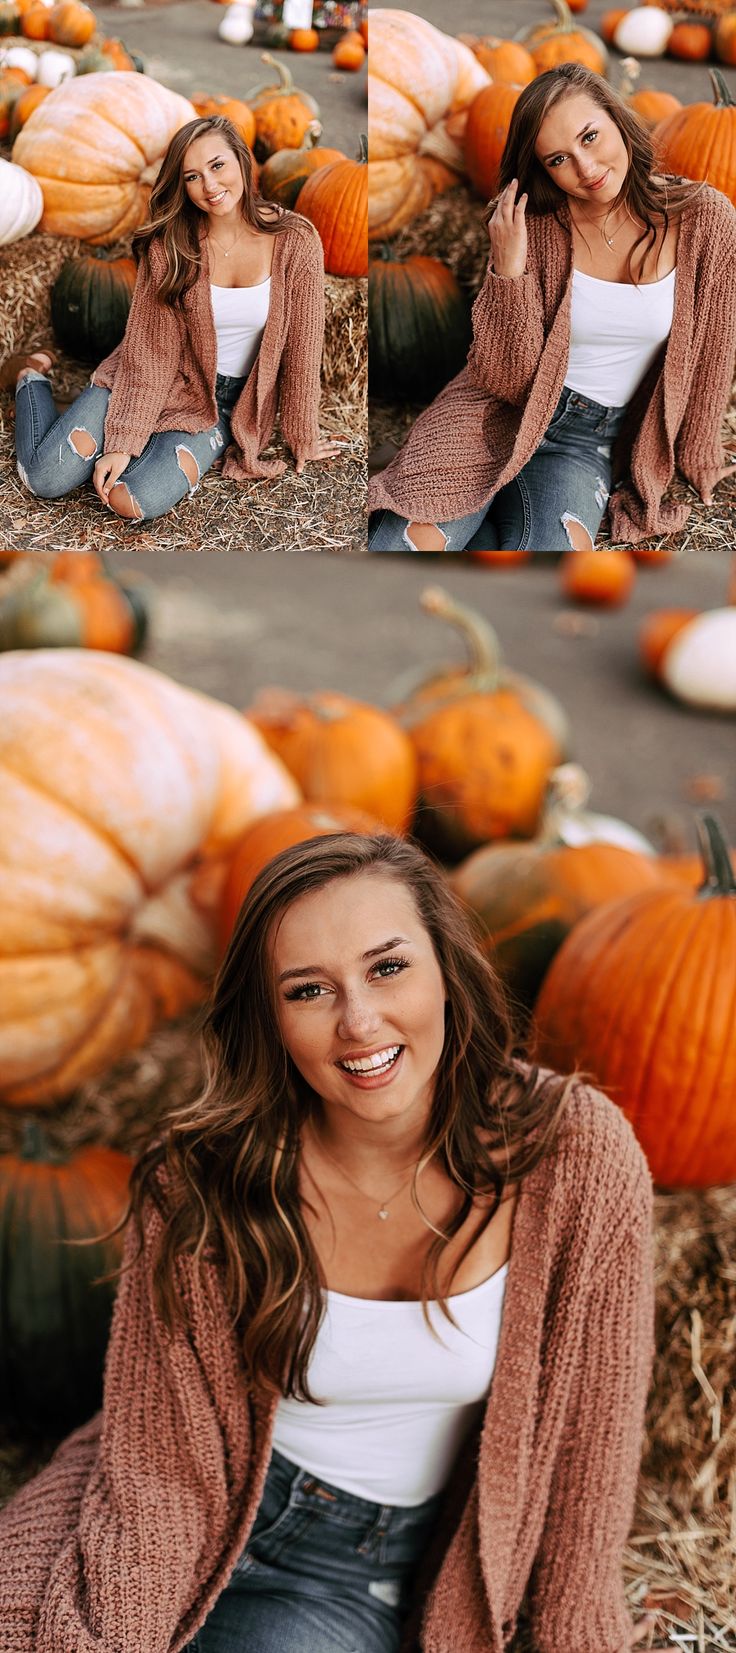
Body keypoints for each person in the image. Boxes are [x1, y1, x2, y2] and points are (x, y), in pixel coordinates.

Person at [0, 832, 655, 1653]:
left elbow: (592, 1461)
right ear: (269, 1019)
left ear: (447, 968)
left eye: (388, 967)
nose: (359, 1021)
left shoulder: (577, 1158)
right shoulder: (199, 1180)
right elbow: (159, 1480)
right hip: (179, 1487)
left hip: (345, 1567)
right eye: (309, 990)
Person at [368, 61, 736, 552]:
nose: (585, 170)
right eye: (558, 160)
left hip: (584, 443)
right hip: (495, 413)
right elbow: (505, 378)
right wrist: (509, 270)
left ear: (618, 120)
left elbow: (714, 351)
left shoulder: (705, 219)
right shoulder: (534, 228)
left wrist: (699, 453)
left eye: (590, 137)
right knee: (401, 547)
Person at [5, 115, 344, 524]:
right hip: (151, 375)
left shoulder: (295, 239)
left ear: (241, 159)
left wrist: (302, 435)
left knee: (134, 501)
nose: (211, 187)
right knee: (46, 478)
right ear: (180, 185)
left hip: (220, 404)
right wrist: (123, 441)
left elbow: (303, 348)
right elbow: (151, 352)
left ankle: (108, 428)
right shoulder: (171, 245)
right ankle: (31, 379)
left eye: (217, 166)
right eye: (193, 177)